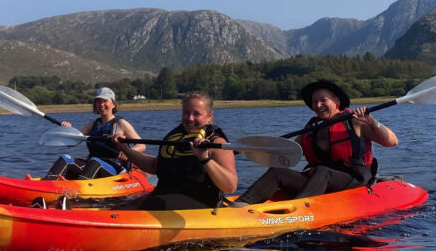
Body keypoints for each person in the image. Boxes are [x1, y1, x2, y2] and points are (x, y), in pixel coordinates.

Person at [232, 80, 398, 206]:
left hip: (354, 179)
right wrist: (260, 149)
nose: (318, 105)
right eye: (314, 102)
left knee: (322, 171)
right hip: (320, 181)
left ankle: (295, 210)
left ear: (336, 101)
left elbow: (392, 142)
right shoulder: (311, 129)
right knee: (278, 171)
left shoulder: (356, 122)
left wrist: (371, 121)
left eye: (323, 100)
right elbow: (288, 154)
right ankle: (241, 205)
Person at [113, 90, 238, 210]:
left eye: (197, 114)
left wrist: (205, 159)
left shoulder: (217, 143)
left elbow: (230, 186)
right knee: (126, 205)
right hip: (164, 196)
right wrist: (126, 149)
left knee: (146, 204)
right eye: (186, 113)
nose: (190, 118)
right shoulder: (176, 139)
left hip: (201, 201)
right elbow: (155, 166)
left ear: (209, 116)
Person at [43, 87, 145, 180]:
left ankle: (76, 188)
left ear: (113, 104)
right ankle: (47, 182)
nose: (101, 105)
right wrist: (66, 129)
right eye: (98, 101)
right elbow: (73, 141)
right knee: (65, 158)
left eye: (105, 101)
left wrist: (129, 151)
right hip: (92, 165)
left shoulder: (121, 124)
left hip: (115, 167)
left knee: (95, 162)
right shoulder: (92, 124)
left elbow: (141, 145)